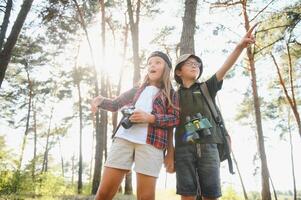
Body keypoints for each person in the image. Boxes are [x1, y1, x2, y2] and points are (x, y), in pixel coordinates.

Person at [173, 24, 257, 200]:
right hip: (183, 149)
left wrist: (240, 46)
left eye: (197, 64)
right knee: (186, 196)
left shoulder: (206, 87)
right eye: (190, 63)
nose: (195, 65)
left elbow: (225, 68)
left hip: (210, 145)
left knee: (210, 195)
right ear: (179, 71)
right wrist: (169, 152)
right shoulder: (173, 95)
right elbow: (166, 122)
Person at [90, 51, 179, 200]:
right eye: (150, 63)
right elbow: (115, 104)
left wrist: (150, 118)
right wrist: (100, 100)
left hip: (152, 144)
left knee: (146, 197)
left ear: (166, 68)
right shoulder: (137, 89)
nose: (152, 65)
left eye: (157, 62)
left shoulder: (171, 94)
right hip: (123, 139)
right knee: (104, 193)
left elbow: (175, 119)